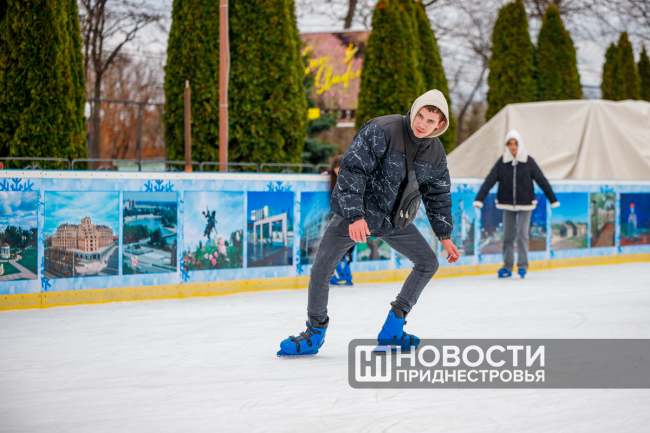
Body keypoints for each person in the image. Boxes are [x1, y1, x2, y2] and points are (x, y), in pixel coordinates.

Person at [278, 90, 459, 357]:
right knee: (321, 269)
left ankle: (394, 327)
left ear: (440, 124)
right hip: (358, 214)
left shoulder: (435, 152)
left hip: (393, 219)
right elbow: (352, 170)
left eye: (430, 121)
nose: (422, 124)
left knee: (428, 262)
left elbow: (438, 193)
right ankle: (314, 333)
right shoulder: (382, 129)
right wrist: (354, 216)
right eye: (420, 115)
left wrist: (444, 234)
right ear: (414, 110)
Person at [473, 130, 560, 279]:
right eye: (510, 144)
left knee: (522, 235)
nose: (513, 147)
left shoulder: (528, 161)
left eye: (515, 143)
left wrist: (552, 199)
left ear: (520, 145)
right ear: (507, 146)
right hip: (507, 204)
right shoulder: (503, 161)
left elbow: (541, 180)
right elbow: (489, 180)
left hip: (526, 204)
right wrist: (479, 199)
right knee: (507, 236)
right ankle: (507, 266)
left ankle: (522, 266)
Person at [322, 155, 354, 285]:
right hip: (342, 215)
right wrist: (328, 172)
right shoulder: (335, 179)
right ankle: (344, 274)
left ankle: (344, 274)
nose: (338, 172)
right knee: (342, 246)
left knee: (345, 245)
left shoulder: (352, 178)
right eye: (335, 170)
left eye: (340, 169)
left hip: (350, 216)